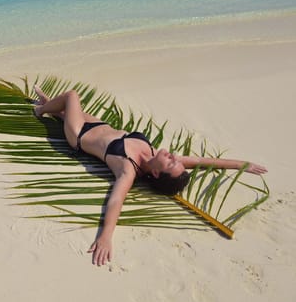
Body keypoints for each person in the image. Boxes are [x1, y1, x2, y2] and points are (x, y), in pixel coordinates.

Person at [33, 87, 267, 266]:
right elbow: (204, 161)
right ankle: (54, 108)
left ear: (156, 173)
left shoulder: (128, 168)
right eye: (176, 161)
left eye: (172, 162)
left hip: (79, 135)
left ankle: (41, 110)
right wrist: (241, 164)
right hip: (98, 125)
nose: (175, 156)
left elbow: (115, 201)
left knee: (71, 96)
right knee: (68, 110)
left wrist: (106, 236)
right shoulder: (156, 155)